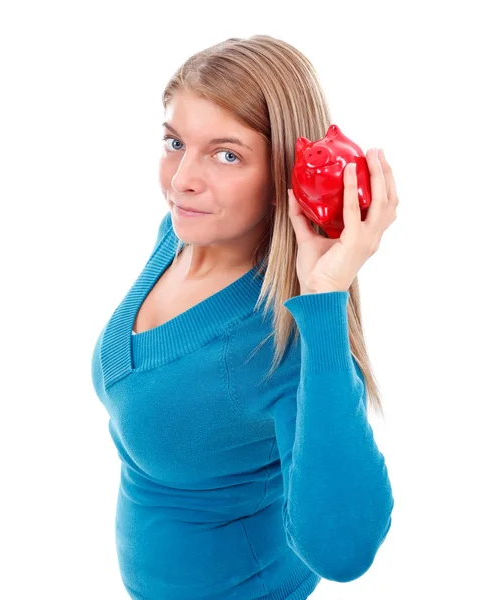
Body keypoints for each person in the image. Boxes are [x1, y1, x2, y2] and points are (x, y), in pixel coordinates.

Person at [91, 34, 397, 600]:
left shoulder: (283, 344)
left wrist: (326, 297)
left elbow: (345, 552)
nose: (183, 178)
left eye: (226, 154)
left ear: (288, 173)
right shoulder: (181, 236)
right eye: (174, 141)